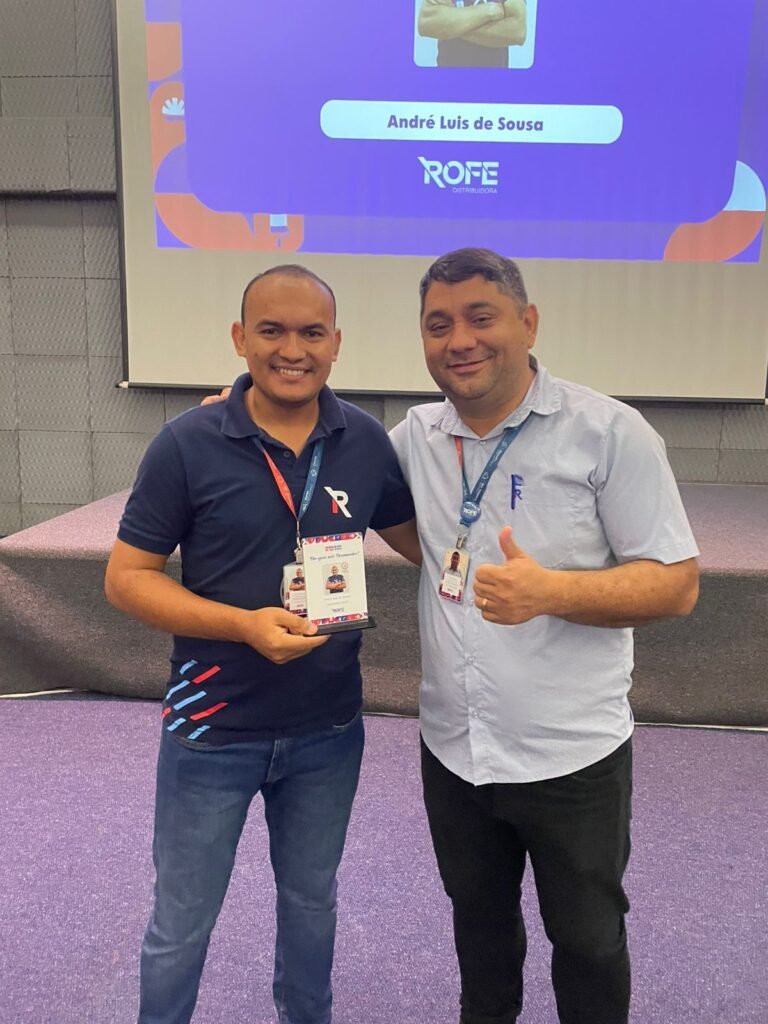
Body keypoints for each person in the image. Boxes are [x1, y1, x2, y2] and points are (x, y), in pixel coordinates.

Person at [389, 247, 700, 1024]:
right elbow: (353, 484)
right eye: (438, 324)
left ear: (528, 323)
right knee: (481, 935)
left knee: (588, 941)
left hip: (571, 754)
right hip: (454, 747)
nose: (459, 339)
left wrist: (551, 592)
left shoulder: (608, 433)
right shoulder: (414, 437)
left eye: (481, 317)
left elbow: (676, 582)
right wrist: (239, 414)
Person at [104, 265, 418, 1024]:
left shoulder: (365, 442)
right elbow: (126, 579)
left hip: (328, 730)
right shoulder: (187, 443)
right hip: (212, 727)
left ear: (337, 343)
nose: (292, 350)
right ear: (240, 338)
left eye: (312, 333)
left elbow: (427, 544)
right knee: (181, 923)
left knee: (312, 907)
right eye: (271, 331)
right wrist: (242, 624)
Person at [417, 0, 527, 69]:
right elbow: (426, 22)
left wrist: (452, 26)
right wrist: (488, 11)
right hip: (449, 79)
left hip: (494, 81)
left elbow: (517, 31)